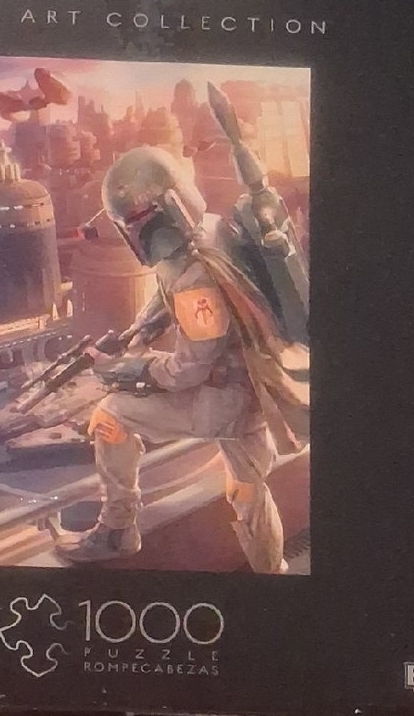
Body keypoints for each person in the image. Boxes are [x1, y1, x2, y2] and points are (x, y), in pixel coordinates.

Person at [54, 146, 309, 572]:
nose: (139, 230)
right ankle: (274, 576)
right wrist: (141, 331)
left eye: (139, 221)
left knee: (111, 416)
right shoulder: (211, 231)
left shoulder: (193, 276)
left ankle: (117, 530)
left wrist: (126, 370)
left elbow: (187, 370)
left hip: (224, 401)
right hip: (257, 385)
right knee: (248, 491)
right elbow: (169, 288)